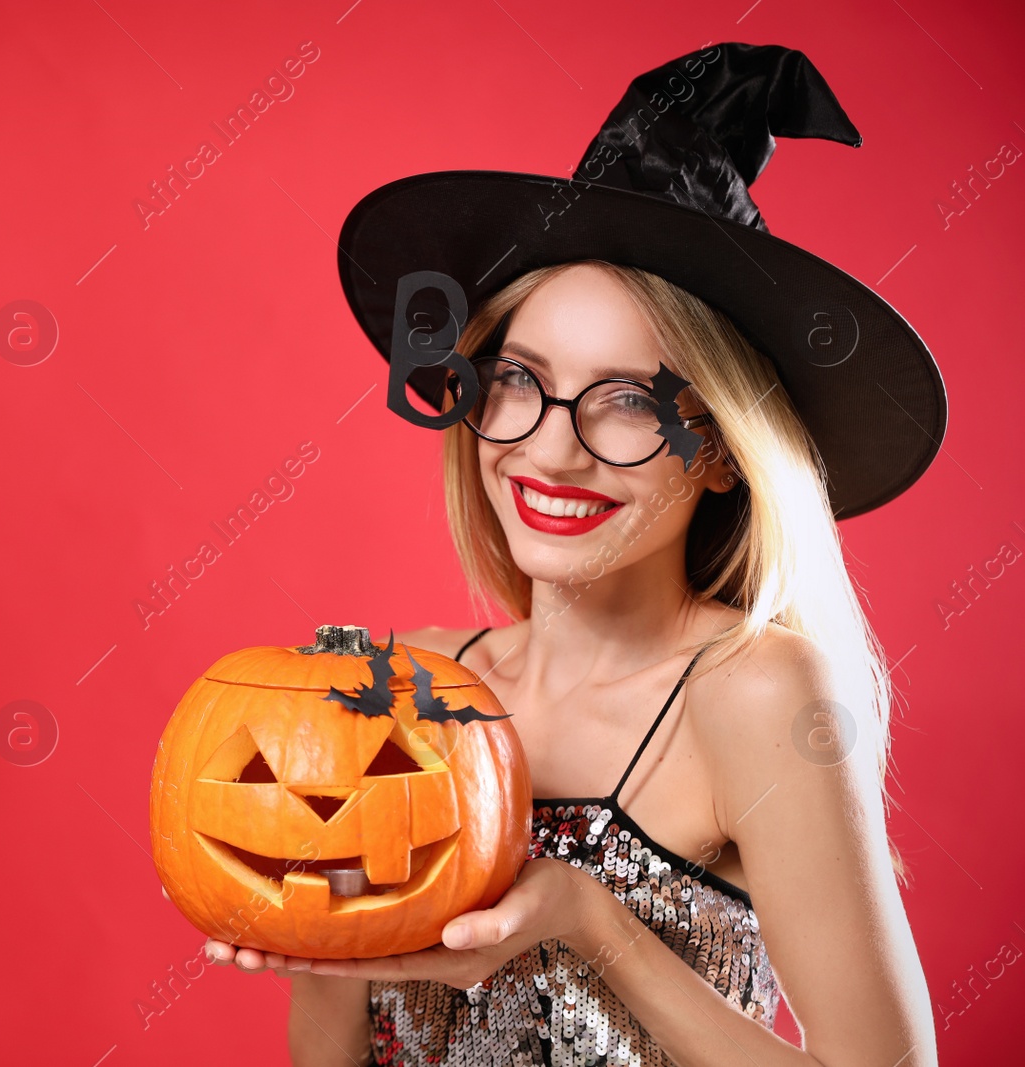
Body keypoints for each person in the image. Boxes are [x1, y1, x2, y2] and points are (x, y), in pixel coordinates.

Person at [202, 42, 944, 1067]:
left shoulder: (756, 692)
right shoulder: (411, 684)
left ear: (723, 453)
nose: (549, 447)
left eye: (631, 401)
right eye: (516, 379)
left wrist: (595, 928)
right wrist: (311, 941)